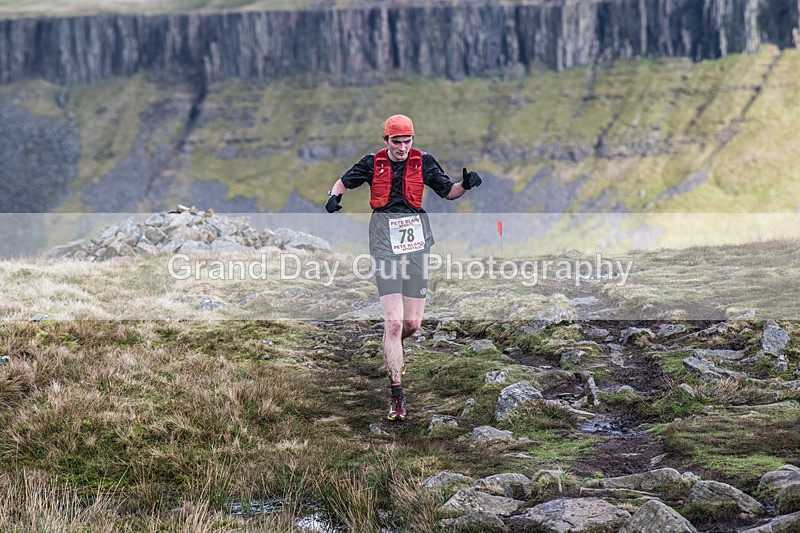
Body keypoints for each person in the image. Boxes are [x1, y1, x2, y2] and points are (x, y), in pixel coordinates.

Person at [325, 114, 482, 421]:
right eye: (396, 142)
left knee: (412, 324)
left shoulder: (424, 162)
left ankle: (390, 346)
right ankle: (397, 396)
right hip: (383, 242)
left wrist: (466, 184)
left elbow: (448, 191)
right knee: (395, 323)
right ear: (386, 141)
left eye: (406, 141)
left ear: (413, 140)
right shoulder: (372, 162)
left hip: (415, 244)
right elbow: (344, 182)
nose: (401, 147)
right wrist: (334, 197)